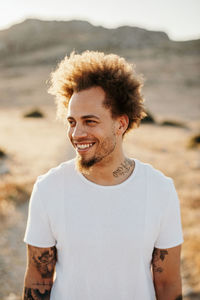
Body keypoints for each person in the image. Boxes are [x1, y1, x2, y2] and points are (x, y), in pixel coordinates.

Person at [23, 51, 183, 300]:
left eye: (89, 121)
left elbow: (168, 285)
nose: (76, 133)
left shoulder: (160, 190)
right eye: (72, 121)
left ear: (120, 124)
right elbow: (38, 279)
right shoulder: (48, 188)